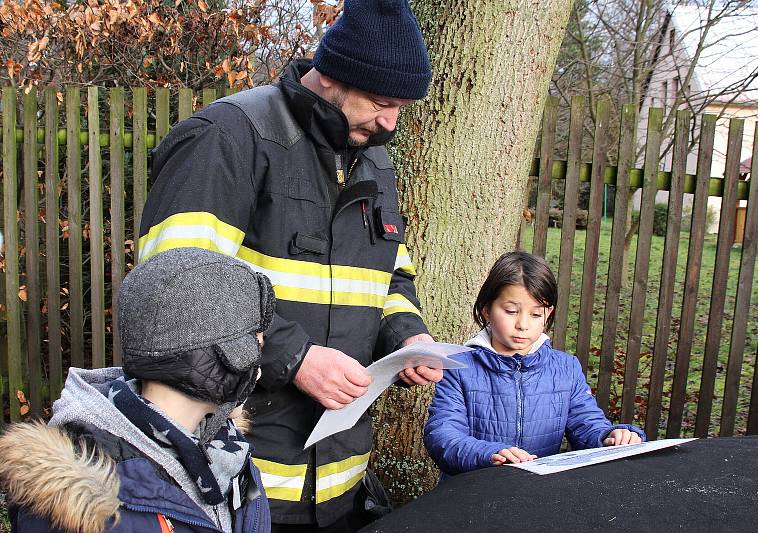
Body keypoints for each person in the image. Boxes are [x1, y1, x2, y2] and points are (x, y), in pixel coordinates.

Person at [135, 0, 441, 530]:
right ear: (336, 76)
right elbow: (177, 291)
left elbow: (390, 275)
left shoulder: (372, 157)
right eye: (381, 102)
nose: (391, 122)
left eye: (401, 107)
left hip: (343, 481)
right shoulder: (229, 137)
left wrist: (407, 338)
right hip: (235, 477)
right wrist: (295, 358)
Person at [0, 248, 275, 532]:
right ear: (208, 356)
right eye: (255, 349)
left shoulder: (229, 457)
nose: (258, 371)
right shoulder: (79, 503)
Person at [423, 252, 645, 476]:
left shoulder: (566, 368)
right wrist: (489, 453)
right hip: (472, 495)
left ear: (548, 314)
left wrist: (610, 436)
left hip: (539, 495)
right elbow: (443, 436)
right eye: (511, 311)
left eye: (536, 314)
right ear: (486, 309)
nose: (523, 324)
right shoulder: (458, 367)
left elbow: (586, 423)